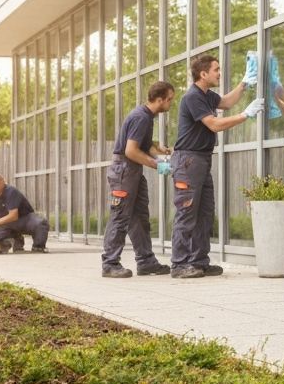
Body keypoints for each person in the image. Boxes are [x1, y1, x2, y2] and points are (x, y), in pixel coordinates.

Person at [171, 55, 262, 279]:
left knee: (204, 213)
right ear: (203, 74)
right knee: (186, 213)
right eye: (216, 70)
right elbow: (214, 124)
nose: (219, 73)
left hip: (201, 160)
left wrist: (245, 83)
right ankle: (179, 264)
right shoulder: (192, 97)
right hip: (188, 161)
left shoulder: (207, 96)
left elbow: (226, 102)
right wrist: (245, 115)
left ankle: (199, 261)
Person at [102, 80, 175, 279]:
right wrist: (157, 165)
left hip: (132, 170)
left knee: (139, 217)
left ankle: (146, 262)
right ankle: (110, 263)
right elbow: (131, 150)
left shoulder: (146, 116)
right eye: (169, 100)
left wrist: (159, 151)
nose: (170, 103)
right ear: (159, 99)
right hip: (124, 171)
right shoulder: (141, 117)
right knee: (120, 217)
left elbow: (143, 144)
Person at [0, 173, 49, 252]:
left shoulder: (11, 191)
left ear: (3, 185)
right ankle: (10, 241)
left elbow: (13, 216)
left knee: (41, 223)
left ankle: (38, 247)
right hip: (5, 224)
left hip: (24, 219)